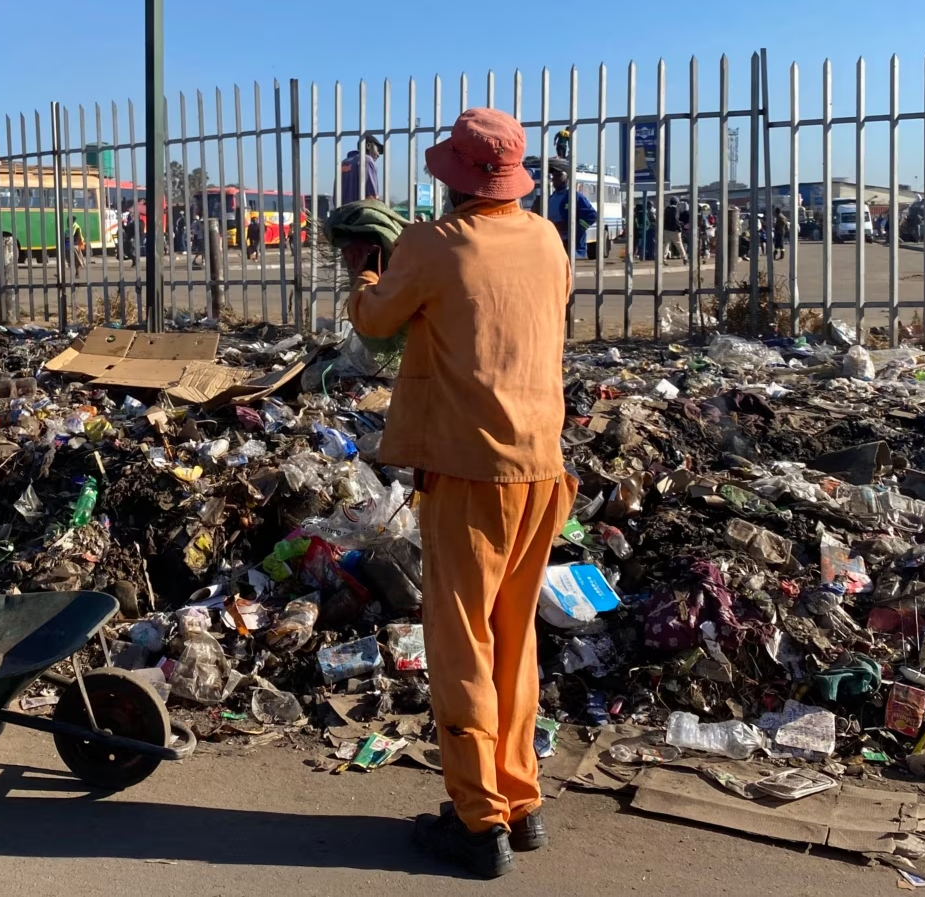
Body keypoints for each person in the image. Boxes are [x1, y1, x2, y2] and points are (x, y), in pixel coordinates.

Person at [343, 107, 575, 879]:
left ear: (450, 179)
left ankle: (478, 825)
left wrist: (365, 268)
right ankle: (519, 799)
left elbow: (376, 322)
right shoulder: (545, 238)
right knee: (515, 638)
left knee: (461, 643)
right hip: (541, 467)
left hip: (469, 472)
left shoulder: (432, 245)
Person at [544, 158, 597, 259]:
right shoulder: (552, 197)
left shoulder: (574, 196)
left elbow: (592, 216)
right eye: (553, 176)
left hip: (571, 247)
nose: (555, 178)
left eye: (559, 175)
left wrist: (575, 228)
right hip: (555, 243)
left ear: (567, 177)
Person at [340, 132, 384, 203]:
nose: (378, 155)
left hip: (342, 211)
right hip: (359, 210)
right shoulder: (367, 160)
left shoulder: (343, 163)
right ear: (368, 146)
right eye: (378, 150)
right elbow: (372, 196)